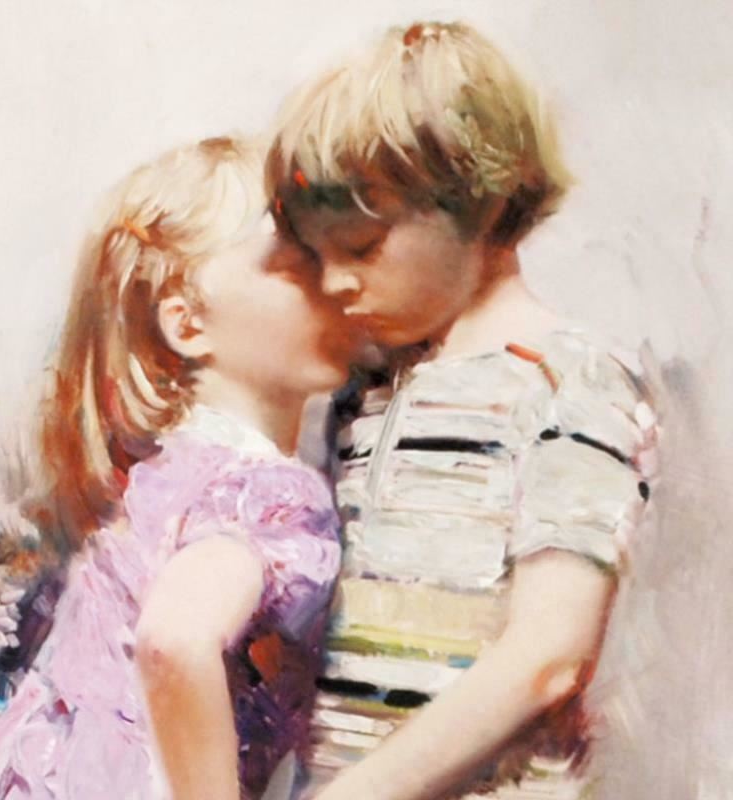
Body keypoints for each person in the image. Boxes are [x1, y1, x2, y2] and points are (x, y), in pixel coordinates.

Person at [267, 21, 658, 799]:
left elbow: (548, 656)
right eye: (318, 255)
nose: (334, 283)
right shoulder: (362, 393)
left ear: (478, 202)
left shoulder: (572, 382)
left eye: (360, 246)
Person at [0, 136, 357, 800]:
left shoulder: (168, 473)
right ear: (188, 325)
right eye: (297, 262)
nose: (337, 281)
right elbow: (173, 641)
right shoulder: (267, 494)